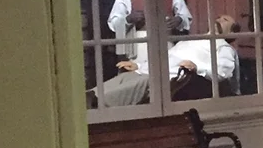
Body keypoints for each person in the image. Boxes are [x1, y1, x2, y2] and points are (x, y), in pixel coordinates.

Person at [97, 15, 239, 106]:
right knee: (123, 78)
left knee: (118, 94)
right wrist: (138, 65)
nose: (219, 19)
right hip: (150, 71)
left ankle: (97, 103)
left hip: (168, 79)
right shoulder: (193, 39)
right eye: (219, 17)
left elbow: (222, 72)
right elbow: (168, 56)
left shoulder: (224, 48)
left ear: (232, 32)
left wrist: (196, 68)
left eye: (225, 20)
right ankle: (91, 95)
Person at [107, 0, 192, 59]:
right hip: (138, 46)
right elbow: (113, 23)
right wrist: (128, 19)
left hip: (166, 44)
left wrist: (179, 20)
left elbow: (186, 16)